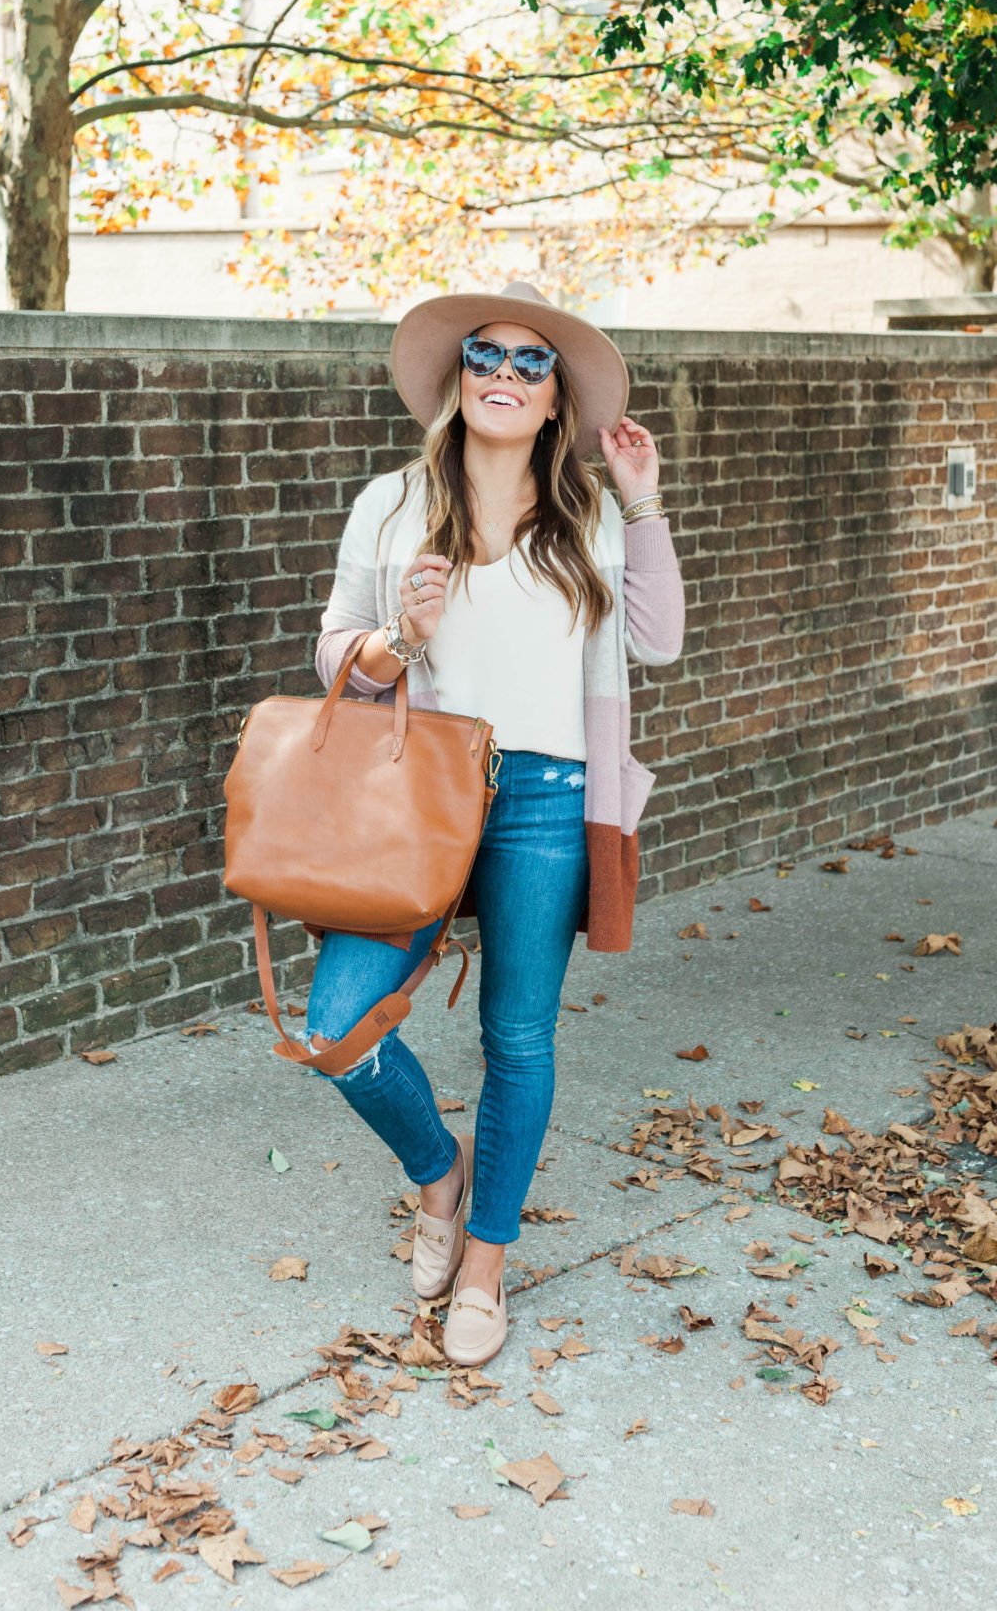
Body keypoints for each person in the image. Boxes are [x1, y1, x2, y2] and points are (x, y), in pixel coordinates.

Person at [305, 281, 685, 1365]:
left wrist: (642, 497)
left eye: (530, 363)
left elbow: (655, 642)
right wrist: (393, 641)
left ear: (557, 398)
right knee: (340, 1027)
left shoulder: (592, 516)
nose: (505, 376)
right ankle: (441, 1174)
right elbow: (336, 649)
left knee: (518, 1038)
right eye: (486, 356)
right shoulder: (389, 504)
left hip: (548, 798)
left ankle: (485, 1259)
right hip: (414, 786)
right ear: (457, 377)